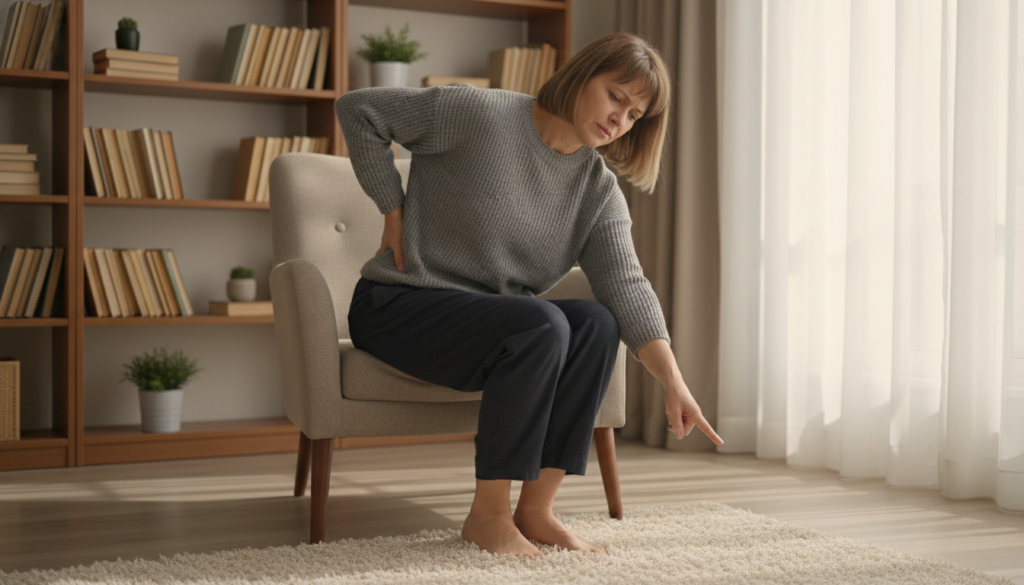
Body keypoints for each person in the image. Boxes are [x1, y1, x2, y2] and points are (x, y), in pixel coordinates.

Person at [334, 32, 723, 559]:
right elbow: (359, 109)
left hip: (491, 327)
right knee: (541, 323)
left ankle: (536, 510)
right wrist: (391, 207)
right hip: (397, 306)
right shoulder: (476, 113)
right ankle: (487, 516)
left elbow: (626, 284)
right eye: (615, 96)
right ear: (582, 76)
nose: (619, 119)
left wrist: (674, 382)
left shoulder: (596, 189)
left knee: (596, 323)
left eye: (634, 115)